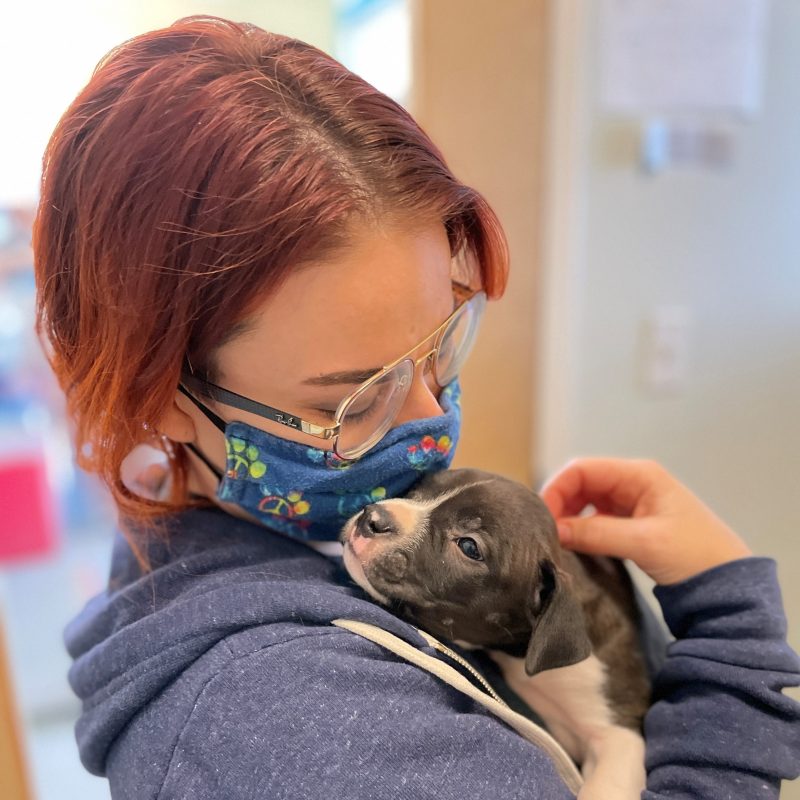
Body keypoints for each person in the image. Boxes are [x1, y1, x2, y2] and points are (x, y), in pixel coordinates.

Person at [33, 15, 799, 800]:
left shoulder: (233, 536)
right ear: (158, 397)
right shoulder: (298, 728)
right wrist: (730, 622)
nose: (428, 422)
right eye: (352, 398)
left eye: (439, 344)